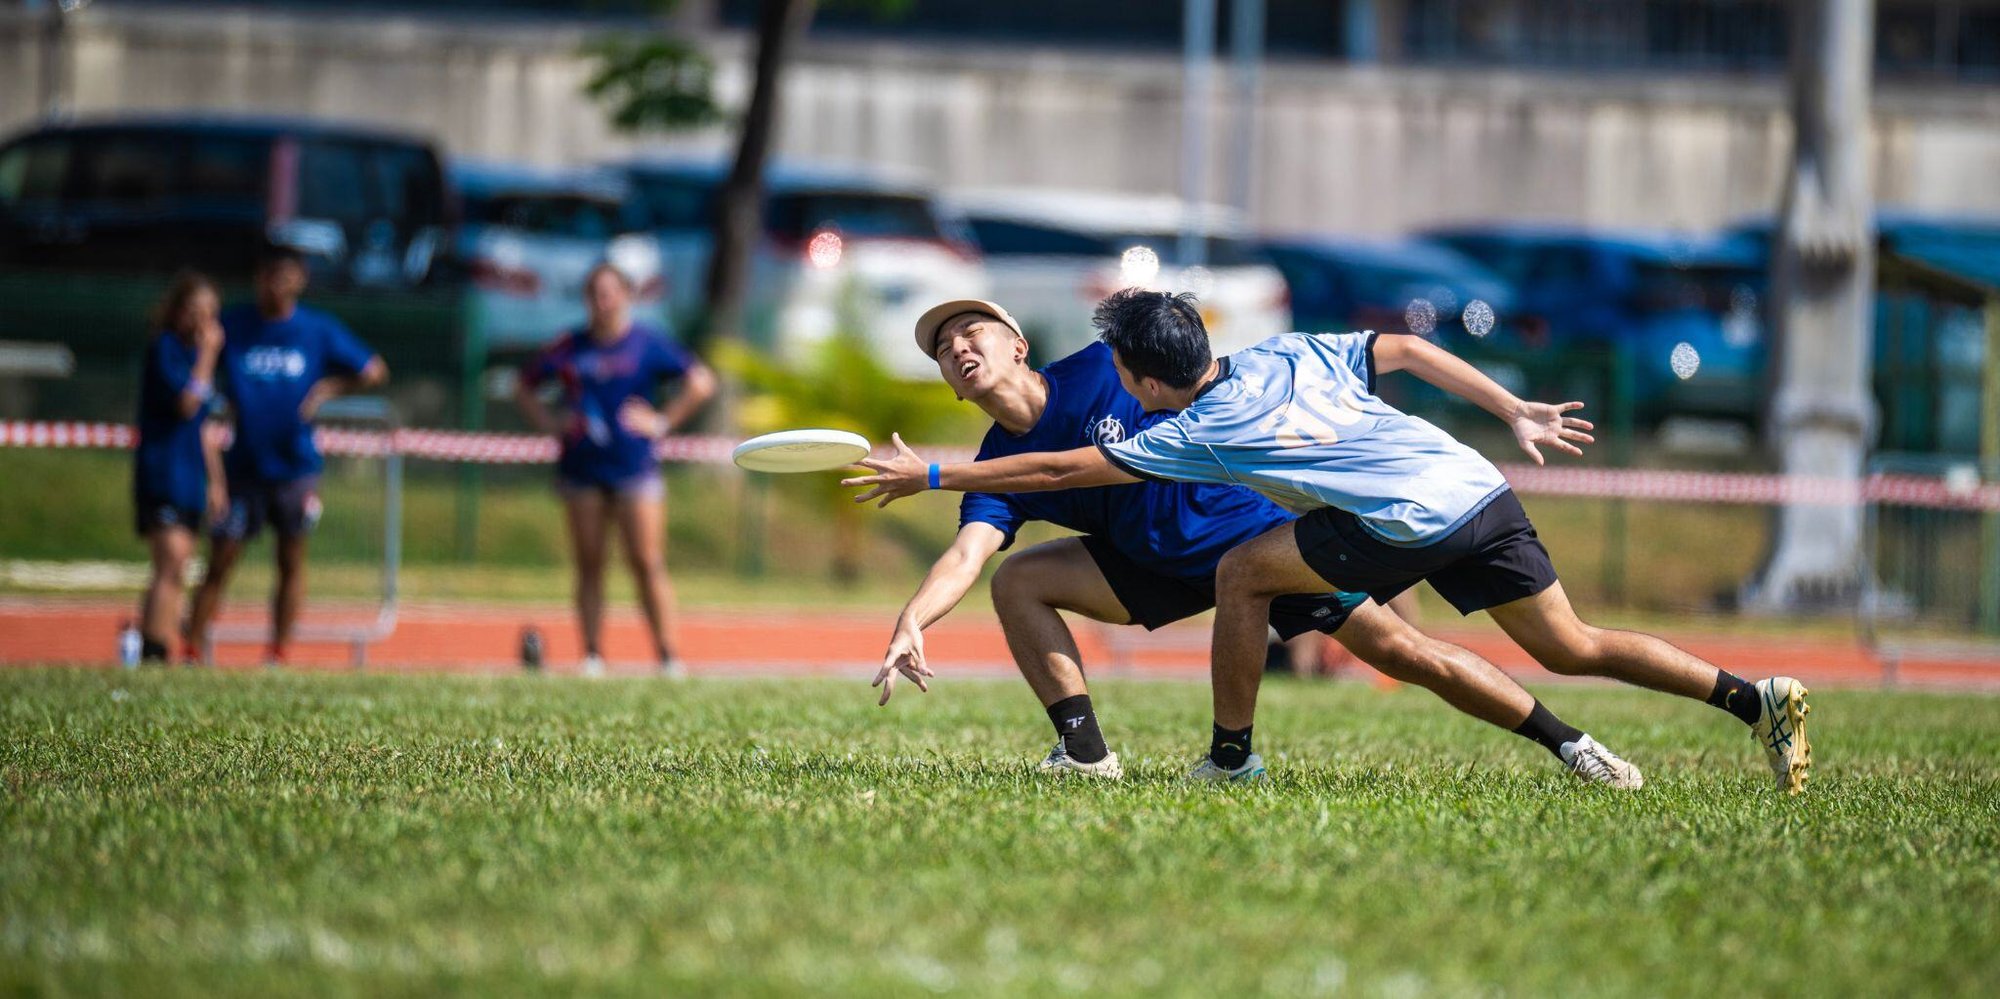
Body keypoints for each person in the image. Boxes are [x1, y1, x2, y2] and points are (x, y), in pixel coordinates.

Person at [848, 290, 1813, 794]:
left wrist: (929, 474)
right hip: (1468, 488)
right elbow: (1401, 349)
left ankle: (1235, 758)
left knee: (1348, 621)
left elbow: (1064, 475)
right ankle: (1750, 698)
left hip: (1339, 528)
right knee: (1573, 643)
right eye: (943, 347)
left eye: (971, 330)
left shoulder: (1180, 421)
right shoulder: (1284, 350)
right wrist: (1510, 405)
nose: (958, 348)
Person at [186, 244, 388, 664]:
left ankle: (278, 652)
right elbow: (193, 356)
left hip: (296, 467)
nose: (277, 282)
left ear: (300, 279)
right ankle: (189, 648)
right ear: (258, 276)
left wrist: (326, 388)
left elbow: (374, 369)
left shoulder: (317, 329)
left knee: (291, 558)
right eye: (269, 272)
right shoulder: (235, 324)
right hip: (243, 466)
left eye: (287, 273)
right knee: (221, 558)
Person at [516, 263, 716, 677]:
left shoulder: (646, 343)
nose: (603, 302)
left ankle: (668, 657)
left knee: (646, 561)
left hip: (634, 468)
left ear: (626, 295)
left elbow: (701, 382)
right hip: (582, 469)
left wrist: (662, 421)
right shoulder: (570, 346)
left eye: (610, 293)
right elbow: (525, 386)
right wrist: (550, 422)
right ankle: (592, 655)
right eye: (595, 294)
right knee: (590, 562)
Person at [132, 272, 228, 664]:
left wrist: (217, 481)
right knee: (169, 560)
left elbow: (203, 427)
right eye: (194, 312)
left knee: (180, 565)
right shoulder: (166, 350)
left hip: (190, 475)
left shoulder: (192, 358)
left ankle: (161, 645)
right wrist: (208, 357)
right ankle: (152, 652)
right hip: (162, 471)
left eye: (209, 314)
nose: (202, 322)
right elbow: (186, 404)